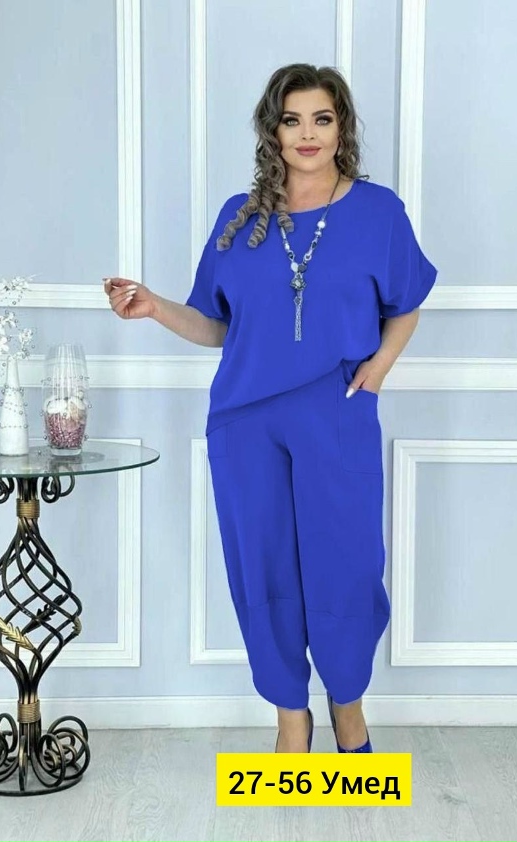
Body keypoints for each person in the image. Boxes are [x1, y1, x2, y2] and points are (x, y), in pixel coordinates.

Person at [103, 63, 438, 754]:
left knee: (345, 565)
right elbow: (217, 326)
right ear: (273, 131)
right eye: (292, 120)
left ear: (341, 128)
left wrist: (378, 369)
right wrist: (154, 306)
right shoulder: (240, 217)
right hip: (245, 421)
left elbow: (406, 303)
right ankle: (290, 713)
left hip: (336, 412)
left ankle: (348, 702)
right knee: (262, 568)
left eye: (322, 118)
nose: (307, 134)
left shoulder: (378, 212)